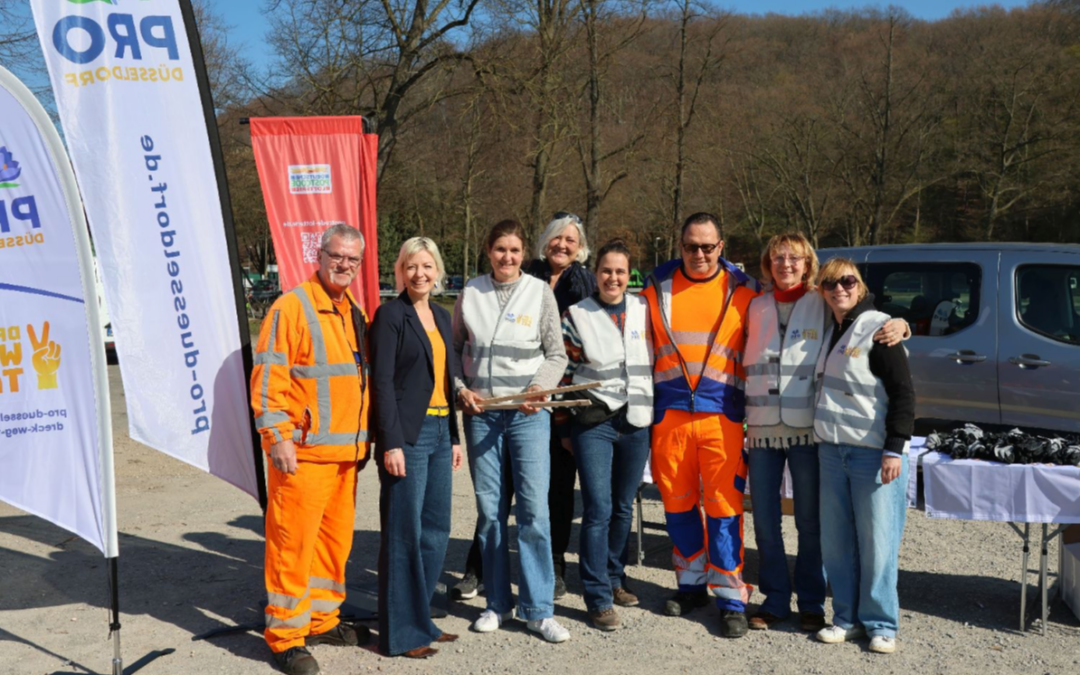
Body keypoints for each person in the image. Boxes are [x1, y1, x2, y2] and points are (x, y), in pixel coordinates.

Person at [744, 234, 908, 633]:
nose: (786, 264)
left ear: (807, 264)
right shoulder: (753, 304)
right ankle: (776, 599)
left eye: (794, 258)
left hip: (807, 432)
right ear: (768, 264)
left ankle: (813, 602)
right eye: (778, 257)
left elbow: (862, 316)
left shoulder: (821, 300)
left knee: (811, 524)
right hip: (763, 431)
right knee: (765, 522)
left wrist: (900, 324)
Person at [454, 211, 595, 601]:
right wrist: (460, 386)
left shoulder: (560, 288)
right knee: (492, 508)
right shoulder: (474, 291)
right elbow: (455, 349)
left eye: (513, 249)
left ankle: (542, 597)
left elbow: (559, 353)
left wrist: (541, 388)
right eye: (500, 249)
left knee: (540, 506)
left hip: (537, 412)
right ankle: (492, 595)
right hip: (485, 414)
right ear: (489, 251)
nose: (507, 256)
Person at [251, 224, 371, 675]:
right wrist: (277, 438)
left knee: (331, 547)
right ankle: (285, 636)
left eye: (352, 260)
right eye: (336, 256)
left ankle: (321, 620)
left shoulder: (352, 308)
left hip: (343, 456)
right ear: (318, 256)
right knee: (291, 546)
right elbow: (268, 380)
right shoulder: (292, 308)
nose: (344, 265)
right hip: (301, 455)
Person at [641, 212, 758, 638]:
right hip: (669, 415)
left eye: (708, 246)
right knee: (676, 504)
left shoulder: (745, 291)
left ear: (721, 246)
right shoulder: (654, 288)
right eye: (691, 246)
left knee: (724, 507)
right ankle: (690, 585)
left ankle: (730, 597)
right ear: (680, 245)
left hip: (721, 416)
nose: (700, 254)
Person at [813, 258, 915, 655]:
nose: (839, 288)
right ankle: (846, 619)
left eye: (847, 281)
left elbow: (904, 394)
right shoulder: (830, 328)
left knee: (878, 543)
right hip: (831, 451)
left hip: (872, 454)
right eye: (830, 283)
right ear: (821, 290)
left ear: (860, 285)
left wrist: (895, 448)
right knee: (836, 543)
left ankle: (882, 624)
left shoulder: (879, 327)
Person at [371, 237, 465, 659]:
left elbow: (448, 379)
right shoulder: (390, 316)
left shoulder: (442, 316)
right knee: (403, 534)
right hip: (408, 436)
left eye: (427, 266)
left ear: (437, 270)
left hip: (442, 432)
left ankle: (422, 619)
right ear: (400, 271)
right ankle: (401, 633)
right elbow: (383, 385)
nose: (420, 274)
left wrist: (456, 438)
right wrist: (391, 443)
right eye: (411, 266)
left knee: (435, 532)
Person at [556, 239, 652, 631]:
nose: (613, 278)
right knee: (596, 508)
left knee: (623, 505)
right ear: (596, 273)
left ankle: (615, 578)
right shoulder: (577, 315)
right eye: (606, 270)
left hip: (637, 419)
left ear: (630, 275)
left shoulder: (644, 309)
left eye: (620, 271)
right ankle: (596, 596)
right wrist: (563, 425)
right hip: (593, 421)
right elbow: (562, 375)